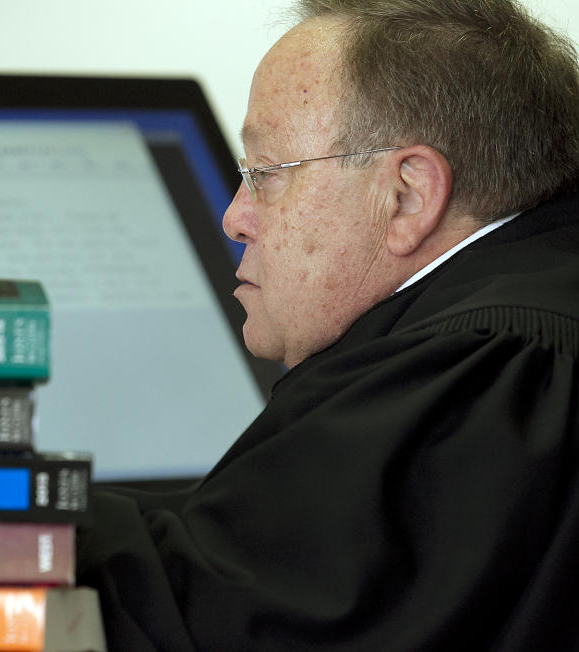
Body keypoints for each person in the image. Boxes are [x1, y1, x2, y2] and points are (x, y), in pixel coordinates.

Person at [75, 0, 579, 650]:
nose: (234, 218)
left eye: (265, 176)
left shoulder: (491, 367)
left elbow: (217, 619)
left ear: (408, 196)